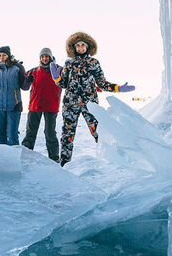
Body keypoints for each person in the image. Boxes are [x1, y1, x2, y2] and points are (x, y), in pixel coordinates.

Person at [51, 32, 135, 166]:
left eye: (83, 45)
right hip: (70, 103)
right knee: (67, 133)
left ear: (88, 46)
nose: (80, 48)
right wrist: (57, 78)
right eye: (77, 45)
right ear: (73, 47)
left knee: (98, 130)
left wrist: (118, 88)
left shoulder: (93, 63)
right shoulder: (69, 63)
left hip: (89, 102)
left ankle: (111, 160)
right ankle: (64, 162)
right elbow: (63, 84)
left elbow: (102, 83)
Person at [21, 48, 62, 162]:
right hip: (35, 105)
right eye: (42, 57)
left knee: (50, 133)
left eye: (47, 56)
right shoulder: (33, 71)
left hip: (51, 106)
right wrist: (23, 74)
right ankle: (25, 155)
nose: (44, 59)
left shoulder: (58, 70)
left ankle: (54, 158)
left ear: (50, 57)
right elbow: (23, 86)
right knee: (30, 132)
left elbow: (68, 79)